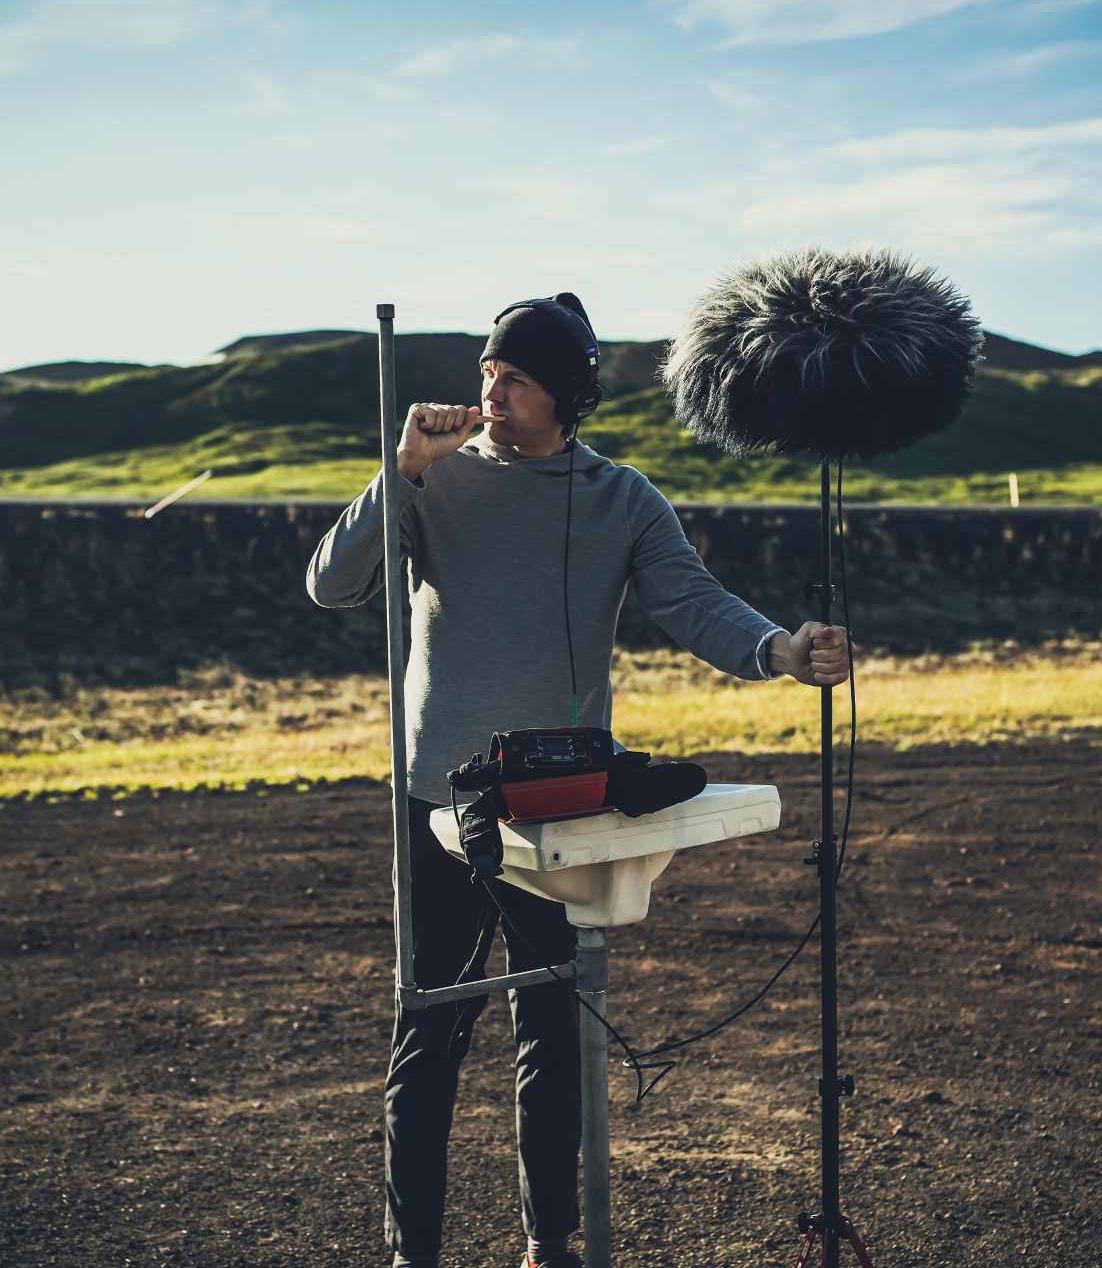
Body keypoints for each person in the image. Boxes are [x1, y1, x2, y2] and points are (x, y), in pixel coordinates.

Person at [304, 294, 847, 1268]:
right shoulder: (433, 478)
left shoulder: (621, 498)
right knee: (428, 1031)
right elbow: (331, 585)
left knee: (553, 1030)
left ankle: (547, 1245)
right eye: (487, 371)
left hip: (558, 811)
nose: (490, 390)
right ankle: (410, 1256)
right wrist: (399, 470)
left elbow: (694, 602)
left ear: (568, 393)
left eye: (514, 376)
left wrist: (781, 649)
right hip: (438, 808)